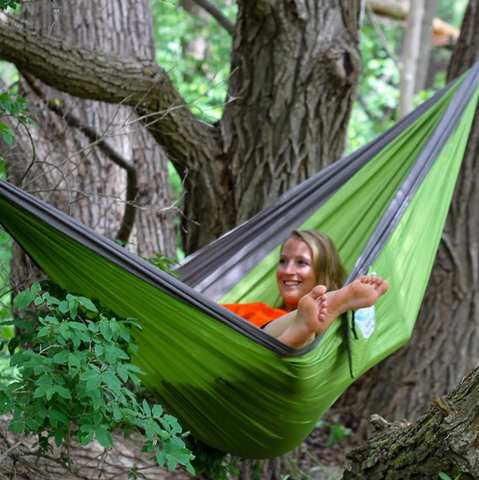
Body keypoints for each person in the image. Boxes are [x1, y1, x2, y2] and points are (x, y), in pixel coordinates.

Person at [222, 230, 388, 349]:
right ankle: (294, 339)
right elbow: (201, 318)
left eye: (302, 262)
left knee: (308, 335)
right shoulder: (252, 310)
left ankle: (297, 339)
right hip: (235, 358)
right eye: (283, 261)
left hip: (297, 355)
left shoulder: (331, 336)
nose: (287, 271)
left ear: (323, 270)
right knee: (264, 332)